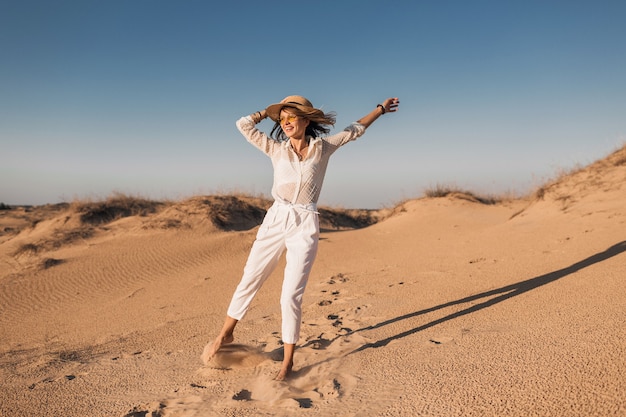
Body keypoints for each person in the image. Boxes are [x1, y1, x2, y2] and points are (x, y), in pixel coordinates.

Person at [202, 95, 400, 380]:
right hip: (276, 219)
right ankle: (226, 334)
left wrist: (380, 110)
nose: (285, 123)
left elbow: (355, 130)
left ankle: (288, 362)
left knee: (290, 295)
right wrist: (266, 113)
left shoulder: (323, 147)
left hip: (305, 223)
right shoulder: (275, 149)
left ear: (306, 120)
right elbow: (243, 124)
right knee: (250, 278)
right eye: (281, 119)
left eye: (291, 117)